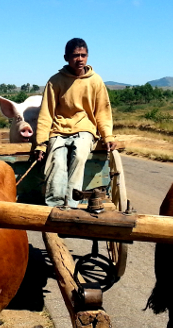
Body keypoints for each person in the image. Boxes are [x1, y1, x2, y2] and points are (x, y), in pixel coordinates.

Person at [35, 38, 117, 208]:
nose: (80, 59)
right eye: (75, 56)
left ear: (87, 57)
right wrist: (41, 144)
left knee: (79, 156)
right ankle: (55, 205)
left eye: (83, 55)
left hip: (85, 129)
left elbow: (102, 111)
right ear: (66, 57)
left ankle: (71, 204)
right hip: (59, 130)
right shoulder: (55, 81)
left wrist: (107, 136)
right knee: (56, 160)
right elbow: (46, 114)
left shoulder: (95, 81)